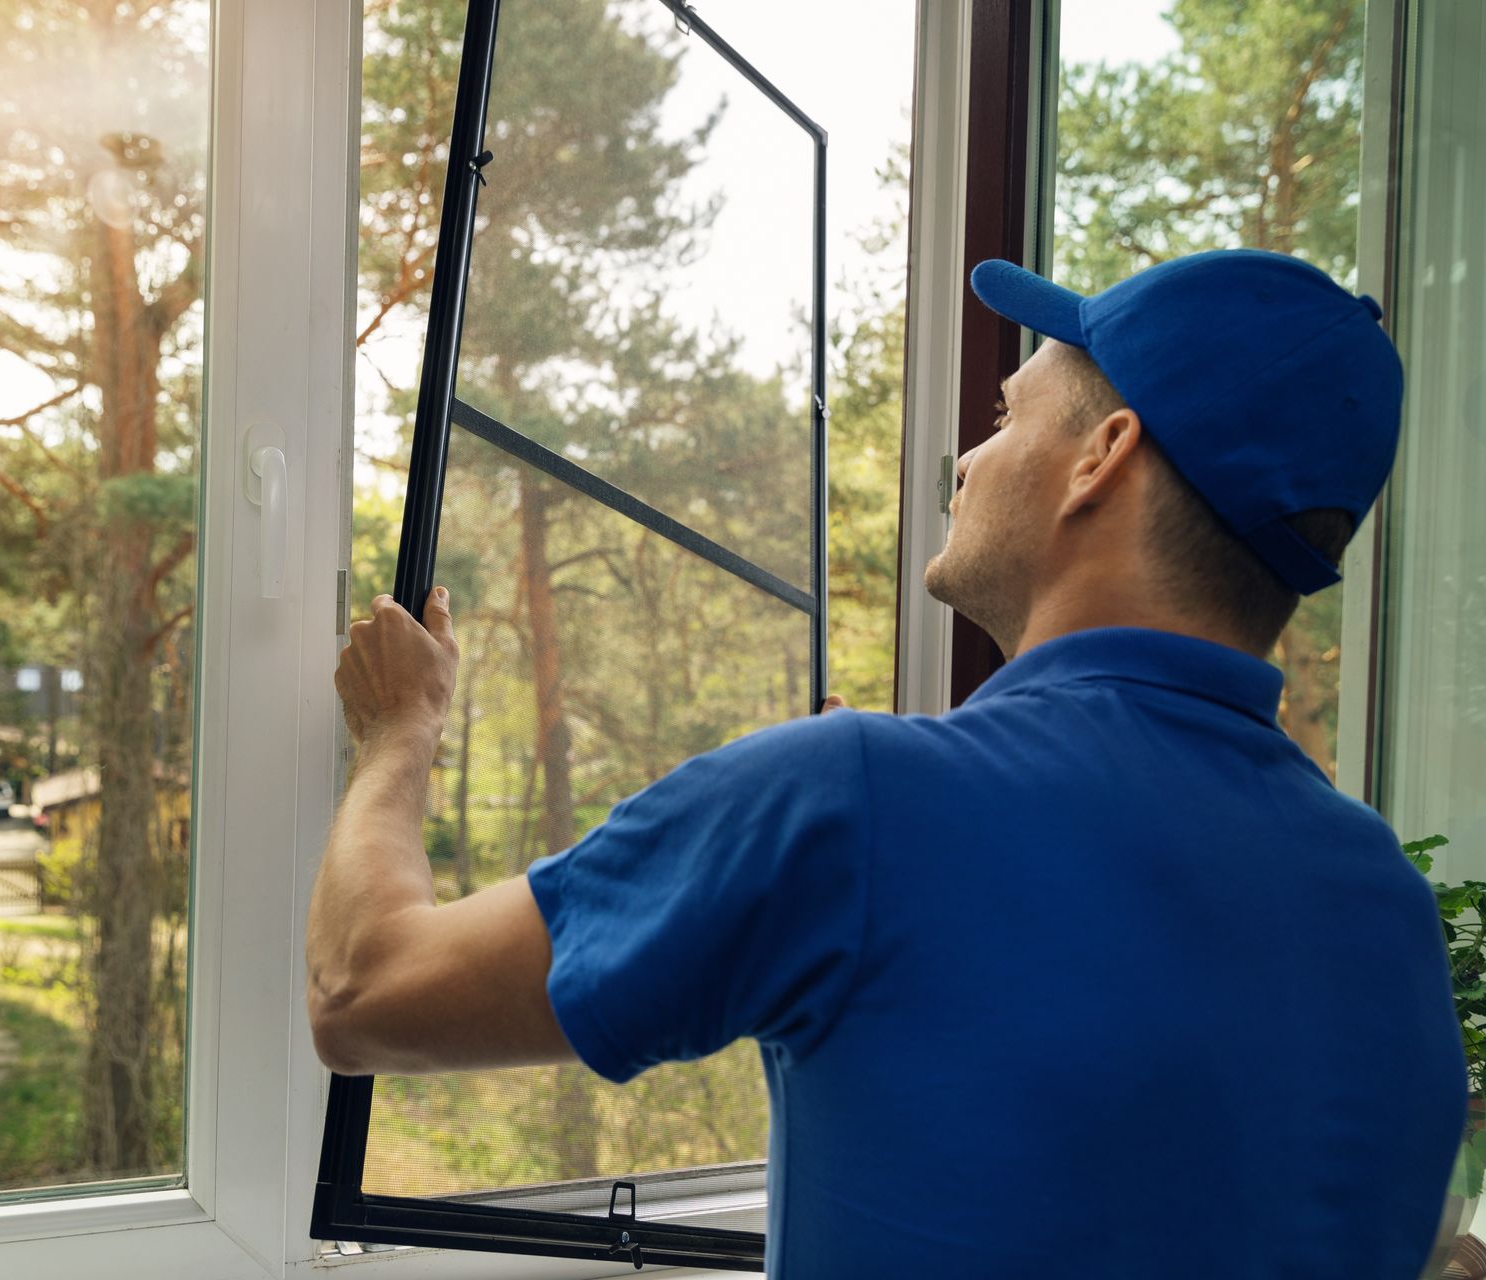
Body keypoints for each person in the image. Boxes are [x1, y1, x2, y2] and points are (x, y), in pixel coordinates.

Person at [304, 249, 1466, 1277]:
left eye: (1011, 415)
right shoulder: (1390, 911)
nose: (970, 453)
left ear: (1102, 455)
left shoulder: (855, 803)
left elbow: (365, 991)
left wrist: (402, 731)